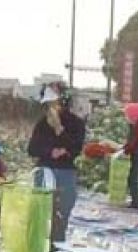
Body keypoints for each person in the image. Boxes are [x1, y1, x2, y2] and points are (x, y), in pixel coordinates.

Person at [27, 83, 86, 242]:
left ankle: (58, 245)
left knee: (62, 212)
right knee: (41, 211)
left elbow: (76, 148)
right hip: (45, 170)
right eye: (48, 104)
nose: (52, 108)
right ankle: (40, 245)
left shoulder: (76, 124)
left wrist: (59, 129)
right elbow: (32, 149)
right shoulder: (41, 124)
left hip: (66, 172)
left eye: (55, 103)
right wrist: (50, 152)